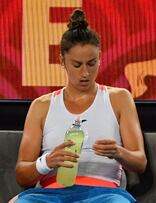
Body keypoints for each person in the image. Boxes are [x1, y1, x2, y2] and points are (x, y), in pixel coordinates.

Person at [13, 9, 147, 203]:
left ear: (100, 58)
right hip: (50, 195)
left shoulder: (119, 99)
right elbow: (21, 174)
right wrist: (46, 162)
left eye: (91, 63)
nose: (85, 73)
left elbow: (140, 162)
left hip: (104, 195)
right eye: (77, 65)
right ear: (62, 62)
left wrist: (118, 152)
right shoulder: (41, 106)